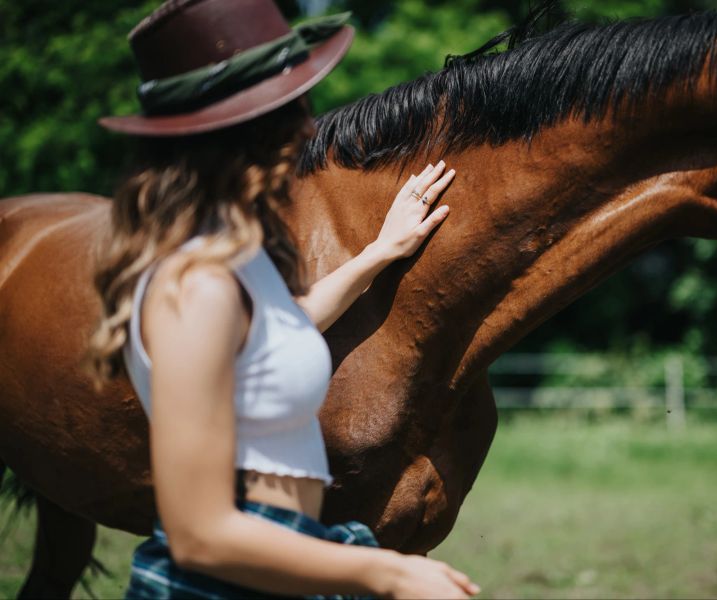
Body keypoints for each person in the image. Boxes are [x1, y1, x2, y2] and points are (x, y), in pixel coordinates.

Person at [86, 0, 479, 598]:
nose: (306, 128)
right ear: (233, 132)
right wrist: (391, 571)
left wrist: (380, 252)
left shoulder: (236, 261)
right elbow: (198, 534)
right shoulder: (196, 285)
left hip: (281, 560)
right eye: (287, 109)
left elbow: (280, 333)